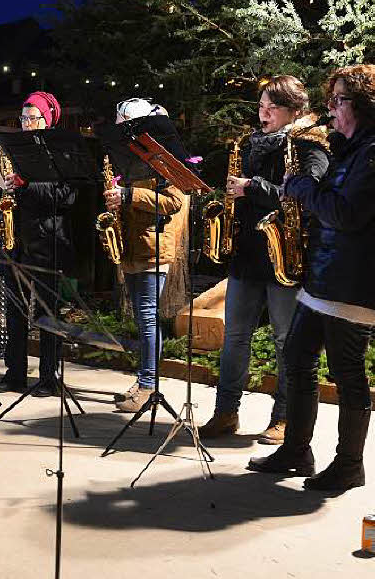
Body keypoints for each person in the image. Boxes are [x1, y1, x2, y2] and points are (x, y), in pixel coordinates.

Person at [249, 64, 375, 491]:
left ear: (361, 104)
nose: (331, 110)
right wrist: (338, 143)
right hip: (325, 278)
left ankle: (349, 465)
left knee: (348, 374)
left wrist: (299, 186)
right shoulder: (355, 148)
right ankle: (296, 450)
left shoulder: (373, 152)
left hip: (352, 283)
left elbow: (345, 212)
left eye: (339, 101)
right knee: (298, 360)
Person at [200, 76, 329, 443]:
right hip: (247, 254)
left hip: (284, 258)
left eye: (272, 107)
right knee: (235, 337)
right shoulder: (250, 144)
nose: (264, 113)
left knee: (286, 340)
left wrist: (251, 186)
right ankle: (226, 412)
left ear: (294, 111)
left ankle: (285, 417)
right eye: (261, 106)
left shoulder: (309, 145)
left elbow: (306, 194)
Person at [105, 99, 186, 412]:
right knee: (142, 318)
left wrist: (128, 195)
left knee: (148, 317)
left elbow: (173, 202)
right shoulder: (129, 161)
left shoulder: (164, 159)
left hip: (154, 247)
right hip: (132, 245)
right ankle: (143, 381)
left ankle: (149, 384)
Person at [0, 91, 76, 396]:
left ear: (48, 119)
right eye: (23, 118)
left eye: (32, 118)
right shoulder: (14, 150)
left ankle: (48, 377)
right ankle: (14, 373)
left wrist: (25, 185)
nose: (26, 124)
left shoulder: (59, 152)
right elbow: (0, 196)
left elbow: (64, 198)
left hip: (48, 239)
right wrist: (1, 194)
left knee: (47, 312)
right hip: (16, 240)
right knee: (14, 310)